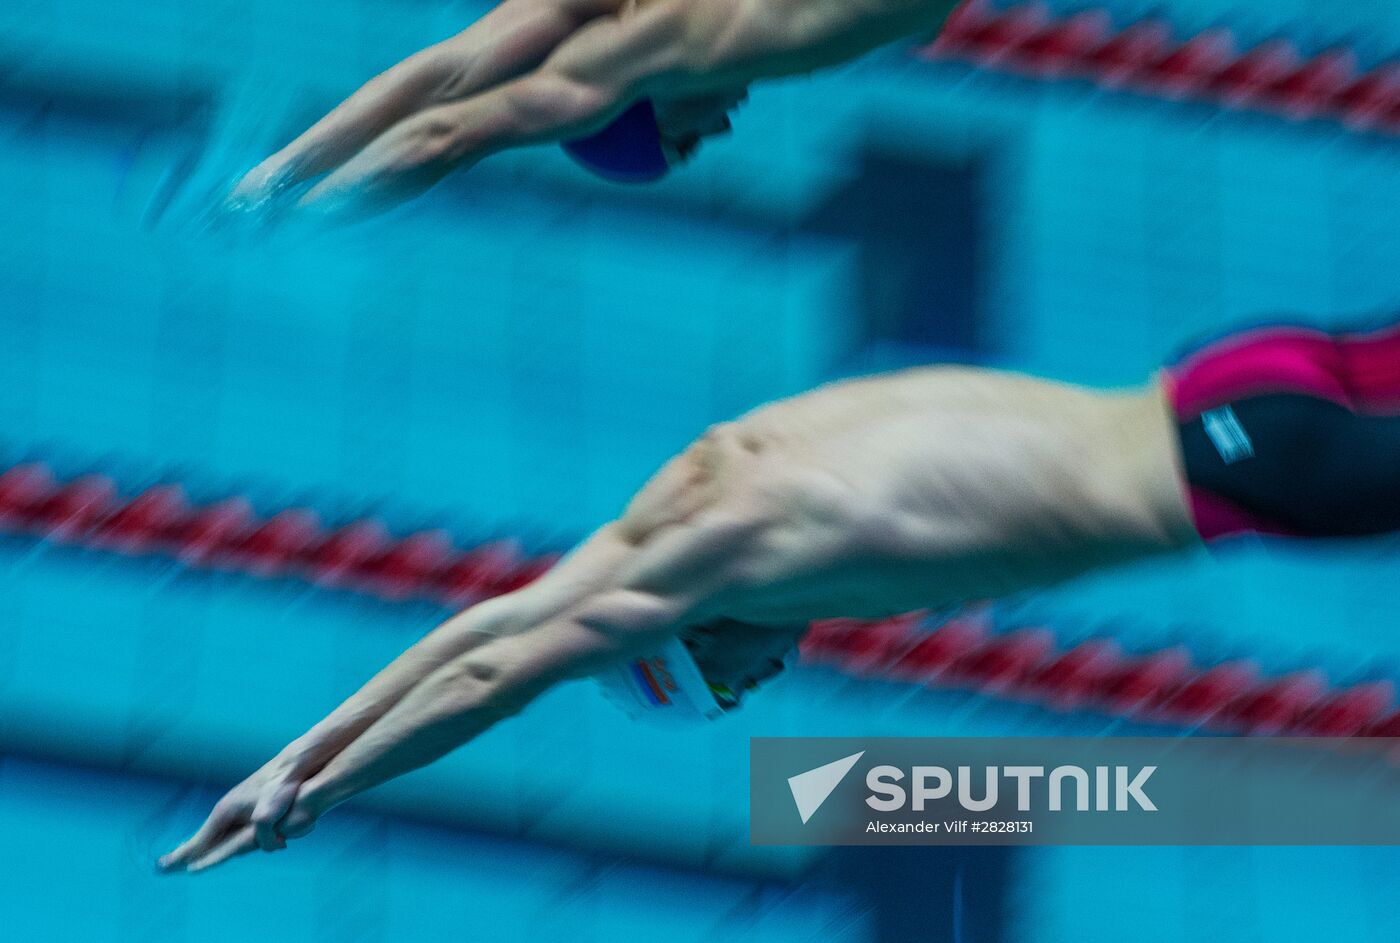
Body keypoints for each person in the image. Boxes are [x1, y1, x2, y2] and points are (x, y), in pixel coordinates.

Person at [157, 316, 1400, 873]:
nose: (771, 673)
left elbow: (500, 671)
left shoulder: (741, 551)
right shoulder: (708, 476)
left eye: (728, 676)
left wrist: (318, 790)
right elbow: (491, 619)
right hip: (1222, 377)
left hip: (1247, 470)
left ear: (685, 636)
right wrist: (293, 756)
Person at [219, 0, 958, 222]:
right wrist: (270, 182)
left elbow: (443, 125)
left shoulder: (685, 47)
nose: (724, 126)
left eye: (688, 139)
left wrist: (290, 207)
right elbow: (445, 76)